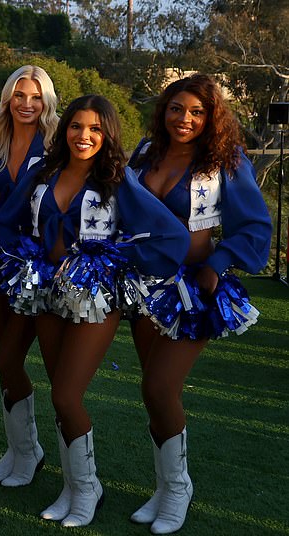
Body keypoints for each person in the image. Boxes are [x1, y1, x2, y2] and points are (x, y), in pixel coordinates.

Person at [0, 95, 190, 527]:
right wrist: (24, 257)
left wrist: (118, 264)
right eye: (77, 126)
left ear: (108, 135)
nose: (85, 136)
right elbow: (6, 221)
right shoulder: (42, 172)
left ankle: (88, 488)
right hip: (47, 292)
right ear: (64, 129)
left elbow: (170, 235)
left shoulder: (118, 180)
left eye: (96, 129)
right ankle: (72, 486)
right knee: (58, 397)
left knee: (68, 395)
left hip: (94, 297)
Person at [127, 74, 272, 534]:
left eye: (195, 112)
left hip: (193, 291)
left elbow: (254, 225)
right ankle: (163, 487)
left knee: (159, 387)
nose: (183, 119)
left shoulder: (225, 161)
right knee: (153, 390)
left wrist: (220, 262)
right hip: (144, 287)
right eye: (175, 109)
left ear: (211, 117)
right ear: (163, 111)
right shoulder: (144, 154)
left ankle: (178, 490)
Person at [0, 65, 58, 487]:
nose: (27, 104)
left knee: (8, 358)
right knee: (7, 364)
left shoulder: (59, 145)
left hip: (36, 270)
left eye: (35, 96)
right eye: (19, 95)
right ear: (8, 98)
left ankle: (29, 454)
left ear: (46, 101)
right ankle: (19, 451)